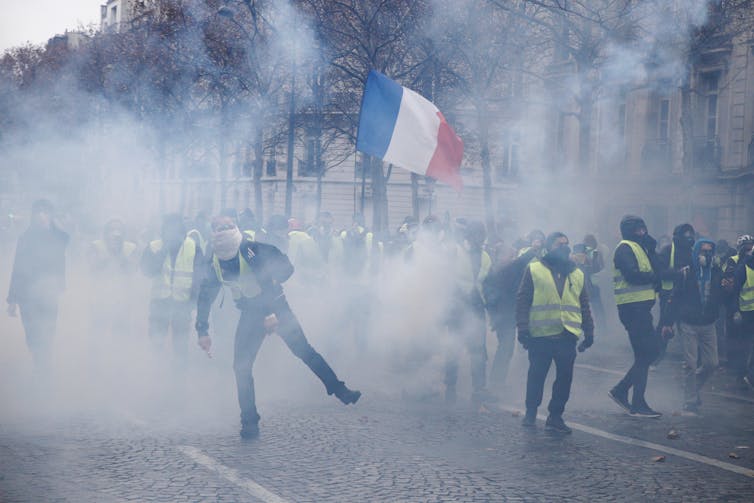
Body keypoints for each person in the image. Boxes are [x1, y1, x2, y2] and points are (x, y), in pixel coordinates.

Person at [195, 215, 360, 439]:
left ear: (235, 228)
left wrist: (271, 313)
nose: (222, 231)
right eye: (217, 228)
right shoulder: (214, 260)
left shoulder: (252, 250)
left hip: (277, 308)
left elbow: (273, 275)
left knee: (304, 351)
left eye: (226, 226)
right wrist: (202, 330)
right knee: (241, 367)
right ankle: (249, 421)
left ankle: (340, 390)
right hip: (251, 315)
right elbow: (206, 295)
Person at [516, 232, 594, 434]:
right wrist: (523, 328)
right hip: (541, 336)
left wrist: (589, 331)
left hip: (567, 336)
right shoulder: (534, 269)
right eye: (560, 244)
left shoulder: (576, 273)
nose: (564, 247)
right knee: (537, 376)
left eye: (566, 244)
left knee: (564, 378)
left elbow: (583, 304)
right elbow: (523, 300)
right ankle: (531, 412)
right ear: (549, 247)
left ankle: (556, 416)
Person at [608, 215, 664, 418]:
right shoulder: (624, 248)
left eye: (644, 229)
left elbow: (657, 269)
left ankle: (623, 391)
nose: (643, 233)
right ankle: (636, 402)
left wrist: (651, 248)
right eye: (639, 230)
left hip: (641, 308)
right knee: (646, 354)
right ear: (629, 231)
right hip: (633, 309)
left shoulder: (641, 248)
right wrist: (655, 277)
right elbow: (632, 275)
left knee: (649, 353)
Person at [6, 199, 69, 370]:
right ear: (33, 215)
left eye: (46, 211)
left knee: (48, 334)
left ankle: (44, 371)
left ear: (51, 215)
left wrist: (53, 226)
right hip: (27, 296)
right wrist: (12, 299)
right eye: (38, 211)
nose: (42, 215)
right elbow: (17, 267)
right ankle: (39, 363)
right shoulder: (25, 238)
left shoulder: (57, 236)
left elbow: (66, 240)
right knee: (32, 336)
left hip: (49, 293)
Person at [667, 238, 722, 414]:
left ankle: (690, 388)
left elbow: (723, 295)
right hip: (688, 323)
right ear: (696, 252)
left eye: (709, 251)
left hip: (708, 323)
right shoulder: (686, 273)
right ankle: (689, 400)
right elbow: (674, 298)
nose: (706, 254)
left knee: (712, 363)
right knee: (690, 363)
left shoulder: (715, 272)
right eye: (703, 251)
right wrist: (667, 323)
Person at [140, 214, 204, 362]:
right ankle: (155, 373)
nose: (173, 234)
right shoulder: (154, 246)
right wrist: (164, 250)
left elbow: (199, 277)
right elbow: (147, 271)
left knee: (180, 347)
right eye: (169, 230)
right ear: (163, 231)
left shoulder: (194, 247)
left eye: (177, 230)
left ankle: (178, 379)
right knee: (156, 342)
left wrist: (193, 302)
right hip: (159, 303)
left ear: (182, 231)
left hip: (183, 304)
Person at [444, 220, 492, 405]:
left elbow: (488, 283)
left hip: (477, 308)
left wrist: (491, 303)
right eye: (477, 235)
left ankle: (479, 388)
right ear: (469, 235)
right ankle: (450, 385)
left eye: (482, 235)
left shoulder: (486, 256)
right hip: (457, 308)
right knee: (453, 348)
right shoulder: (455, 251)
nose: (480, 239)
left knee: (478, 349)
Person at [723, 234, 754, 383]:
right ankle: (736, 368)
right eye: (745, 248)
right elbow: (730, 287)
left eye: (750, 247)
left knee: (745, 342)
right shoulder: (734, 261)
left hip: (748, 309)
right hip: (736, 307)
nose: (748, 251)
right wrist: (734, 310)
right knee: (737, 339)